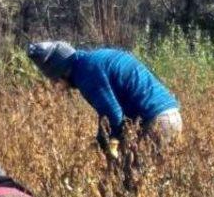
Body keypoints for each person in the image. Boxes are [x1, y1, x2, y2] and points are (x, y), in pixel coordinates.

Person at [27, 41, 182, 154]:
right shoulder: (94, 59)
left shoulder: (86, 73)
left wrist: (105, 145)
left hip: (156, 123)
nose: (56, 86)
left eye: (55, 81)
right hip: (171, 116)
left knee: (130, 182)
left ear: (60, 73)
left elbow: (112, 115)